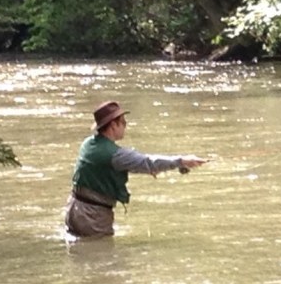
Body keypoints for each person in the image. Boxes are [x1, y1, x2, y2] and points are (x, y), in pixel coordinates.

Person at [64, 101, 206, 238]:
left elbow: (115, 167)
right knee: (102, 257)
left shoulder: (88, 144)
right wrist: (181, 161)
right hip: (93, 217)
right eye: (123, 122)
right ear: (113, 125)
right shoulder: (116, 154)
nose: (126, 126)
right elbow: (148, 162)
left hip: (74, 210)